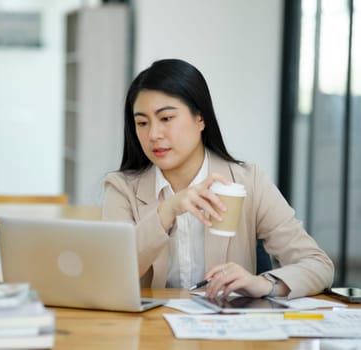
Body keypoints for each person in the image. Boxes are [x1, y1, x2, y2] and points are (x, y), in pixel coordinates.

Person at [102, 58, 334, 299]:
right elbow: (111, 274)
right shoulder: (122, 188)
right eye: (142, 122)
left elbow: (318, 264)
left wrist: (265, 284)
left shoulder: (248, 181)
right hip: (150, 330)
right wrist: (166, 212)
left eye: (166, 118)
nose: (153, 134)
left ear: (200, 118)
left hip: (226, 330)